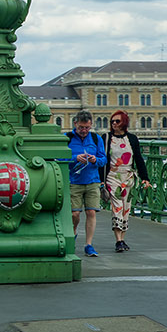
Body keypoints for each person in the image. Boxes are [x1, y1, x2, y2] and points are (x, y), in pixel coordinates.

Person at [101, 110, 150, 253]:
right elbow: (103, 160)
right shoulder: (106, 138)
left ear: (124, 122)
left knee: (126, 208)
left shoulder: (132, 139)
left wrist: (145, 178)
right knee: (117, 207)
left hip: (128, 177)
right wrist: (101, 181)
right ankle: (118, 240)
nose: (114, 124)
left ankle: (122, 238)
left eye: (117, 121)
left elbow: (139, 159)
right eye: (112, 121)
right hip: (112, 176)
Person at [63, 110, 106, 257]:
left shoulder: (96, 138)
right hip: (74, 181)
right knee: (75, 214)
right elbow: (59, 159)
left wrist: (95, 160)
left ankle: (89, 244)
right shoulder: (67, 138)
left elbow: (103, 159)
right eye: (81, 127)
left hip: (92, 180)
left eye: (87, 127)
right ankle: (73, 232)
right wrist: (75, 158)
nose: (84, 131)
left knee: (91, 211)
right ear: (75, 124)